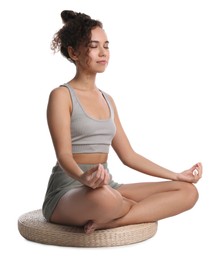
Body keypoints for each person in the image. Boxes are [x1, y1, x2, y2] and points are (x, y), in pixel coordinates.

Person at [42, 10, 202, 234]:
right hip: (68, 190)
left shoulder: (108, 100)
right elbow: (64, 156)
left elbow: (129, 156)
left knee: (187, 192)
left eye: (106, 46)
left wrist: (176, 175)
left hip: (105, 187)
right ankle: (129, 210)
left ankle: (113, 221)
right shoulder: (61, 95)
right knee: (108, 199)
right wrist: (84, 178)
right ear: (74, 53)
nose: (103, 52)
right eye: (93, 46)